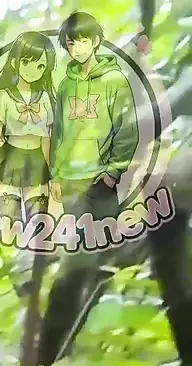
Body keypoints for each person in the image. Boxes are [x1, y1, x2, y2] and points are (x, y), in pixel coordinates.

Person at [51, 11, 136, 219]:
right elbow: (58, 132)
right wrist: (55, 176)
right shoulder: (66, 86)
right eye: (71, 44)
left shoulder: (115, 80)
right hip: (69, 179)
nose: (76, 49)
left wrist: (113, 172)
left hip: (100, 179)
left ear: (95, 41)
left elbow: (126, 129)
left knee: (108, 241)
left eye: (82, 42)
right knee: (79, 244)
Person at [0, 31, 56, 223]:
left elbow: (47, 138)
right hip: (9, 160)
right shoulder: (3, 96)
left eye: (41, 65)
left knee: (39, 222)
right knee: (9, 220)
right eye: (26, 62)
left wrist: (53, 172)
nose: (33, 70)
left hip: (37, 161)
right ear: (14, 63)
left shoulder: (44, 98)